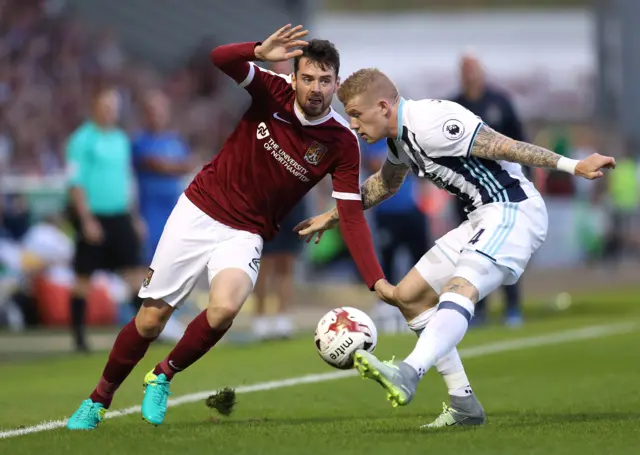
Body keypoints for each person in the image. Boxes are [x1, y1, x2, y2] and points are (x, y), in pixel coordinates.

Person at [66, 24, 393, 430]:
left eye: (324, 81)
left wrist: (375, 281)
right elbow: (221, 58)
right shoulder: (271, 90)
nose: (315, 88)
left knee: (223, 309)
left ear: (337, 84)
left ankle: (162, 375)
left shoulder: (342, 142)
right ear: (294, 78)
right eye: (307, 78)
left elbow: (351, 212)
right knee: (150, 320)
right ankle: (98, 400)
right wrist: (259, 50)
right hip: (200, 209)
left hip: (245, 232)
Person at [296, 68, 615, 428]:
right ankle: (463, 403)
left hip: (513, 209)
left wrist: (574, 165)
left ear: (383, 106)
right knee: (409, 296)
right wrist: (332, 216)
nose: (353, 125)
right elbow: (384, 184)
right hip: (480, 218)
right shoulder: (399, 139)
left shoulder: (432, 123)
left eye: (356, 113)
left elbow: (505, 145)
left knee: (459, 288)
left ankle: (408, 371)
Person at [450, 54, 529, 326]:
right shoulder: (454, 106)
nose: (469, 74)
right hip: (467, 192)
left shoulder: (500, 102)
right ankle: (478, 310)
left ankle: (513, 309)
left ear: (481, 71)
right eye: (464, 70)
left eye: (472, 68)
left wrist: (527, 178)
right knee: (472, 252)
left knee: (506, 248)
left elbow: (520, 141)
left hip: (503, 191)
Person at [65, 88, 146, 352]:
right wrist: (86, 219)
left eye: (114, 106)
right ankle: (78, 337)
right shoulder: (81, 139)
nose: (110, 111)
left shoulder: (121, 140)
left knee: (134, 274)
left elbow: (126, 180)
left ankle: (141, 332)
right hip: (94, 215)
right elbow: (75, 183)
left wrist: (134, 217)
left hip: (120, 213)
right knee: (83, 279)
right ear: (95, 107)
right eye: (105, 106)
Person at [361, 138, 430, 333]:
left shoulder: (404, 136)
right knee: (387, 263)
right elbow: (377, 166)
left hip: (412, 209)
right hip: (387, 212)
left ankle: (421, 305)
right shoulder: (371, 140)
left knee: (421, 262)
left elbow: (419, 164)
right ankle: (387, 310)